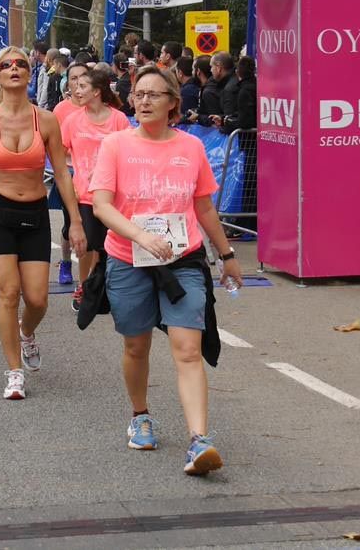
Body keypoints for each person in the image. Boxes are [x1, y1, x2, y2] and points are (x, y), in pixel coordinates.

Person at [90, 64, 241, 476]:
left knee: (188, 350)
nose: (144, 101)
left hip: (183, 259)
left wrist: (226, 255)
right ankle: (140, 414)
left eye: (154, 94)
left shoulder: (190, 148)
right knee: (136, 346)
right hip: (129, 258)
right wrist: (139, 235)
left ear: (174, 102)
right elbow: (101, 205)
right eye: (139, 94)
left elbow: (204, 206)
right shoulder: (116, 145)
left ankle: (199, 441)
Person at [0, 47, 87, 399]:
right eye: (6, 65)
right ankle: (14, 371)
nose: (14, 69)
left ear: (30, 72)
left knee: (37, 300)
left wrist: (75, 221)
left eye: (21, 64)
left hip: (34, 214)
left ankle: (27, 332)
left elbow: (63, 175)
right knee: (9, 293)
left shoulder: (46, 120)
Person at [61, 67, 131, 310]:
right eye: (76, 86)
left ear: (97, 92)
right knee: (86, 244)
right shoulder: (72, 120)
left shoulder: (118, 119)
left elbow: (128, 153)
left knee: (107, 245)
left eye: (82, 87)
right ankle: (84, 286)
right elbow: (59, 155)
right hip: (84, 194)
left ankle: (102, 285)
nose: (76, 92)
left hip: (113, 195)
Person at [50, 62, 91, 285]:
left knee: (93, 226)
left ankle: (92, 274)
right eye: (73, 78)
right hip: (69, 172)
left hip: (94, 175)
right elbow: (55, 146)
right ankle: (66, 263)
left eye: (83, 77)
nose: (78, 83)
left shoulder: (98, 107)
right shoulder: (62, 110)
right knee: (70, 223)